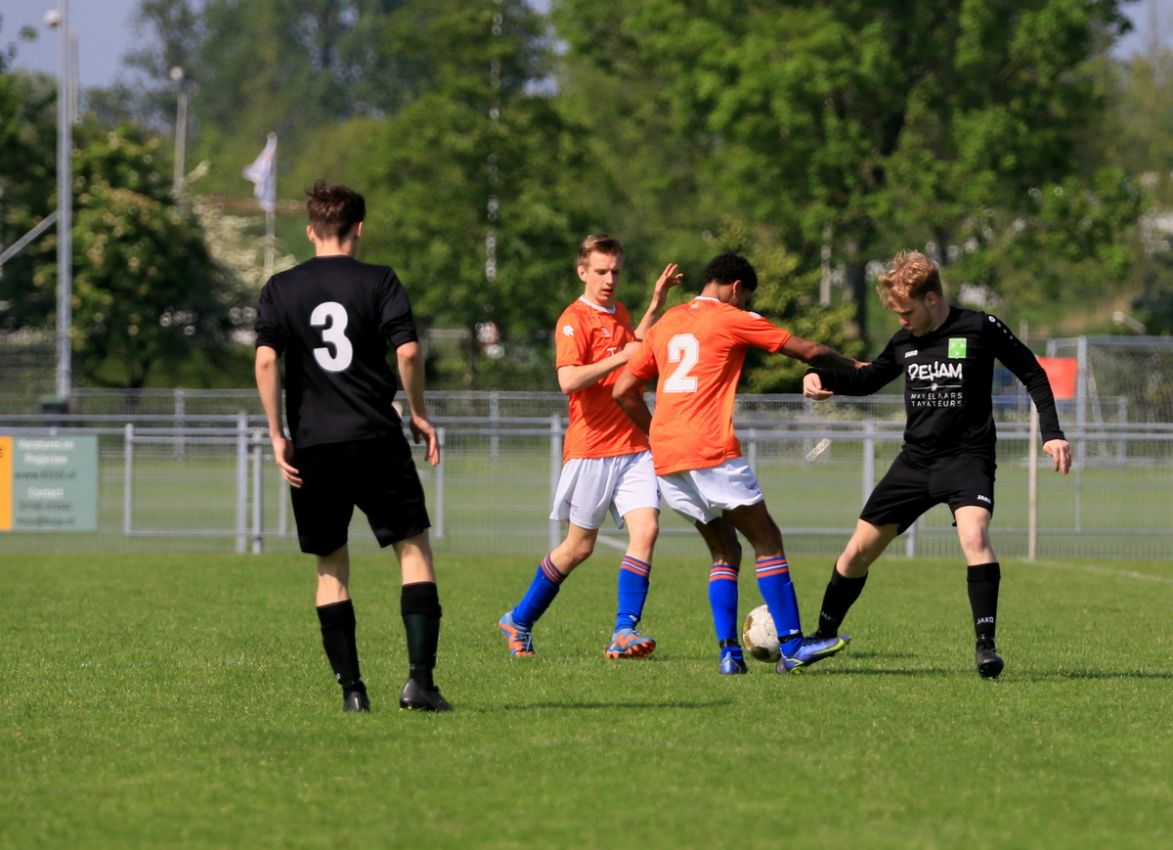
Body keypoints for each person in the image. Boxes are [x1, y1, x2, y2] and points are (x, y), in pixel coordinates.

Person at [802, 250, 1072, 679]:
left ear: (931, 299)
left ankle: (985, 647)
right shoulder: (904, 341)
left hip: (967, 459)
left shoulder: (980, 327)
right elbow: (869, 379)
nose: (901, 321)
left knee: (974, 535)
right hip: (915, 462)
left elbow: (1033, 373)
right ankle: (821, 636)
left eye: (906, 311)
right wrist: (822, 378)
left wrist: (1052, 433)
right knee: (856, 553)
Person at [254, 181, 452, 712]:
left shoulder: (280, 287)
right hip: (375, 436)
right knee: (413, 551)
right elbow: (407, 353)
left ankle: (353, 693)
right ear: (358, 228)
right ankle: (420, 684)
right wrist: (418, 412)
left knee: (331, 567)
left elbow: (266, 360)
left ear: (310, 230)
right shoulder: (379, 280)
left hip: (313, 444)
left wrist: (277, 434)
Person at [613, 251, 860, 675]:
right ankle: (793, 645)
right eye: (745, 298)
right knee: (768, 540)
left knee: (725, 552)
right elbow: (809, 350)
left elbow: (623, 390)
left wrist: (658, 434)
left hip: (668, 458)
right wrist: (857, 367)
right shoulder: (730, 317)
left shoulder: (668, 321)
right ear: (735, 288)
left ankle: (730, 655)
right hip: (710, 450)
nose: (745, 305)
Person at [498, 234, 682, 660]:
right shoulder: (573, 320)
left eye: (615, 271)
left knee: (647, 530)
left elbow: (632, 344)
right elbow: (569, 380)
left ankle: (624, 630)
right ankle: (519, 620)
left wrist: (655, 304)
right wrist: (621, 357)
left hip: (634, 446)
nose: (609, 279)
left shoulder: (620, 312)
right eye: (600, 271)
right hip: (591, 449)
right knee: (579, 547)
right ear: (582, 272)